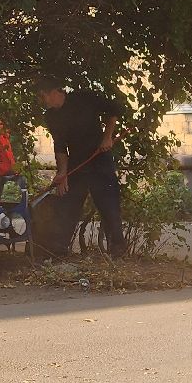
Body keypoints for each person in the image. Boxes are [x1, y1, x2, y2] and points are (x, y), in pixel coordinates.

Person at [34, 77, 124, 258]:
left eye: (42, 96)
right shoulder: (51, 116)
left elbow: (114, 109)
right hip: (77, 163)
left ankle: (118, 250)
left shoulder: (83, 98)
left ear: (53, 92)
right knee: (68, 202)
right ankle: (58, 250)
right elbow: (60, 146)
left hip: (100, 159)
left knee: (109, 204)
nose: (41, 101)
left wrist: (107, 137)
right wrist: (62, 173)